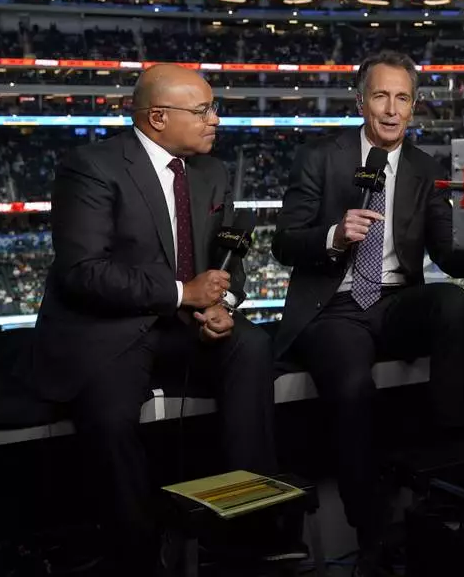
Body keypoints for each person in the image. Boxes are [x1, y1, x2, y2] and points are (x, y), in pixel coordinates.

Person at [272, 50, 464, 574]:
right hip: (335, 307)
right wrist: (333, 236)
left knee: (451, 300)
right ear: (361, 101)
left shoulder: (423, 167)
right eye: (381, 96)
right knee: (352, 388)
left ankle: (449, 453)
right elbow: (283, 242)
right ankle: (369, 531)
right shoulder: (319, 157)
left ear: (414, 106)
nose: (392, 109)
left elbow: (449, 255)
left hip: (396, 302)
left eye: (402, 98)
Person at [24, 65, 277, 574]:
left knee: (251, 346)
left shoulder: (212, 172)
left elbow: (229, 259)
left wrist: (223, 304)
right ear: (158, 117)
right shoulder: (91, 166)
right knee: (110, 420)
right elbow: (82, 272)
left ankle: (247, 529)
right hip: (111, 329)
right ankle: (137, 553)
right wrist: (183, 292)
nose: (215, 119)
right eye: (202, 110)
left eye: (213, 108)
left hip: (182, 326)